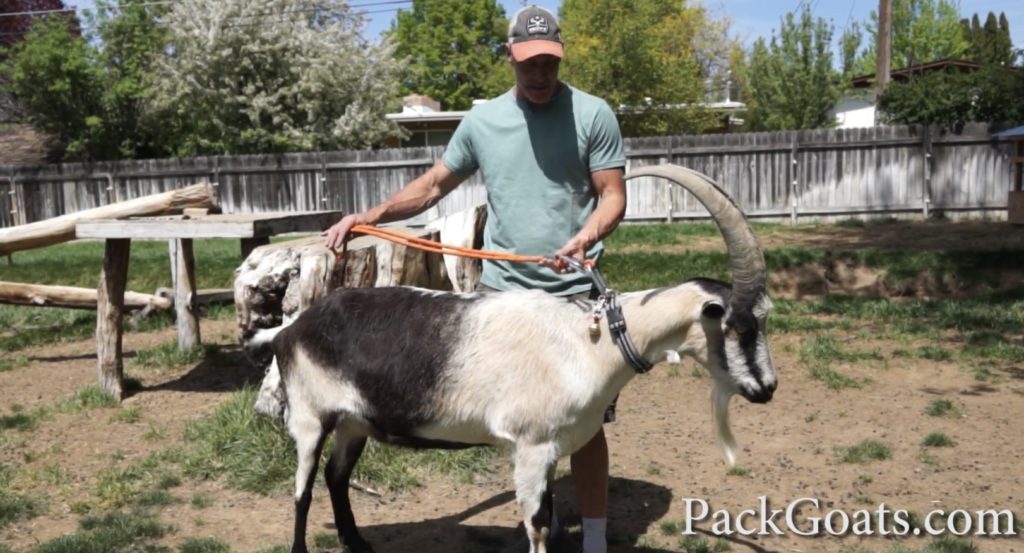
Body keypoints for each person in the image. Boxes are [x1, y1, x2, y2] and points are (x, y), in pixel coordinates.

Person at [323, 5, 626, 553]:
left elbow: (612, 196)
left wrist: (586, 236)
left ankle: (597, 543)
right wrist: (369, 217)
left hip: (574, 295)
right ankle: (542, 524)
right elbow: (434, 184)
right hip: (503, 298)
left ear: (560, 57)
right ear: (509, 56)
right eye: (529, 63)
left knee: (585, 425)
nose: (540, 74)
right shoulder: (483, 121)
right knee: (512, 424)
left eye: (549, 63)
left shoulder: (593, 114)